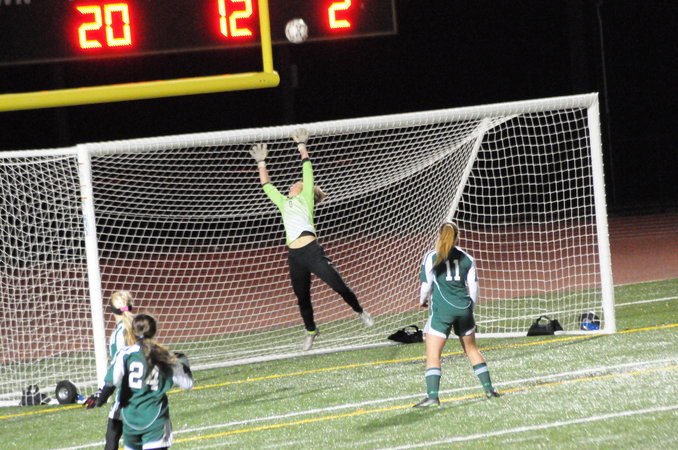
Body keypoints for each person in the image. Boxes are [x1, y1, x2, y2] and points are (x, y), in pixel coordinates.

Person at [250, 128, 374, 351]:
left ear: (303, 190)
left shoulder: (305, 198)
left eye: (295, 184)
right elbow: (267, 187)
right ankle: (310, 331)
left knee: (339, 286)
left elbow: (307, 170)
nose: (292, 185)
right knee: (302, 297)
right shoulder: (283, 203)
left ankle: (360, 311)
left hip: (312, 252)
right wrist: (261, 163)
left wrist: (302, 146)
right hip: (295, 256)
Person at [413, 222, 500, 408]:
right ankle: (489, 390)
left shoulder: (431, 256)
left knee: (433, 354)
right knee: (472, 350)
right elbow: (474, 289)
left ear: (439, 235)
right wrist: (470, 310)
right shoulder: (467, 258)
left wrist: (422, 300)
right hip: (464, 310)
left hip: (442, 311)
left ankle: (432, 397)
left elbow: (426, 286)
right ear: (457, 237)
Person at [88, 313, 194, 449]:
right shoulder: (165, 356)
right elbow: (187, 384)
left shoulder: (124, 354)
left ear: (132, 332)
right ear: (154, 331)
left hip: (131, 420)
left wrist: (100, 399)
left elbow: (110, 383)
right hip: (155, 419)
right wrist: (183, 363)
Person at [84, 290, 137, 450]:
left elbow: (117, 370)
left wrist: (102, 394)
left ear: (112, 310)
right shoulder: (142, 328)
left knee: (112, 434)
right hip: (148, 393)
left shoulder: (118, 335)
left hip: (127, 394)